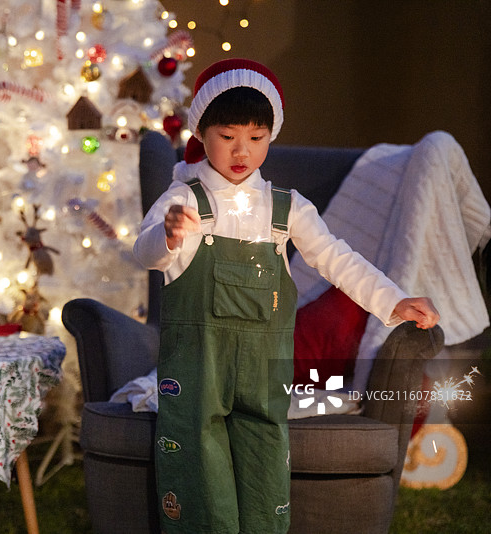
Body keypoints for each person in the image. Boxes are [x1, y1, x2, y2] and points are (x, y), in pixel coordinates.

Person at [133, 59, 440, 533]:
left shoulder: (286, 206)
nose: (242, 151)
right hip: (198, 365)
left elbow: (336, 258)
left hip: (261, 366)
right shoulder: (186, 200)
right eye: (227, 136)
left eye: (256, 138)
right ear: (201, 132)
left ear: (270, 136)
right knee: (197, 461)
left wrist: (393, 301)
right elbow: (145, 254)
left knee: (264, 459)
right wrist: (169, 237)